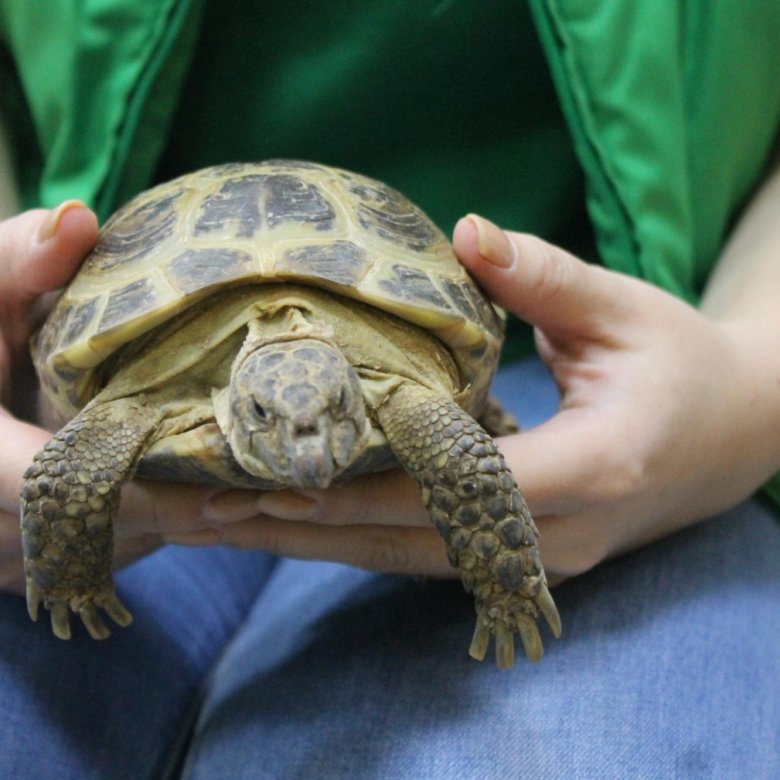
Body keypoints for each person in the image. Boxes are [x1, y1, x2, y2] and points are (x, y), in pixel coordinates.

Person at [0, 2, 779, 778]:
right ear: (243, 401)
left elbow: (468, 465)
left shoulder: (407, 398)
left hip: (618, 368)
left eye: (334, 412)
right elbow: (67, 473)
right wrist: (63, 560)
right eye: (273, 421)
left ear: (350, 389)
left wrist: (753, 376)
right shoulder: (136, 399)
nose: (309, 445)